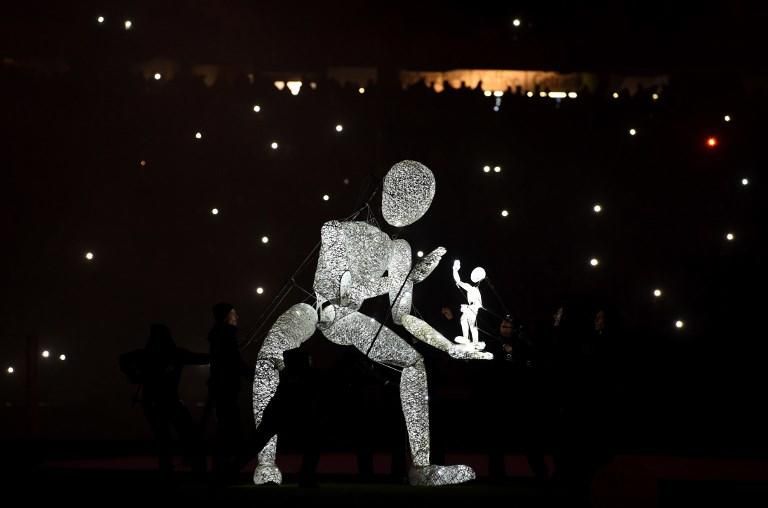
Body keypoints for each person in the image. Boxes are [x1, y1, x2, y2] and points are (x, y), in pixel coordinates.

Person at [119, 323, 209, 476]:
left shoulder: (145, 355)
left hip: (155, 402)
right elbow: (200, 358)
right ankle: (191, 465)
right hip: (166, 401)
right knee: (183, 433)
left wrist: (135, 376)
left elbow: (123, 359)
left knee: (165, 437)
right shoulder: (173, 354)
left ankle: (169, 468)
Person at [207, 302, 252, 481]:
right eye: (234, 313)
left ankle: (221, 464)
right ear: (226, 316)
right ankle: (227, 466)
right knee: (229, 423)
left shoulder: (216, 334)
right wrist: (249, 374)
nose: (237, 317)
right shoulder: (227, 334)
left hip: (219, 385)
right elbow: (233, 359)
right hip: (227, 385)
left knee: (225, 423)